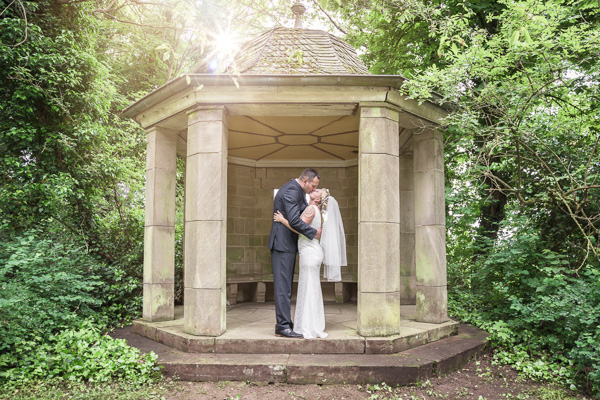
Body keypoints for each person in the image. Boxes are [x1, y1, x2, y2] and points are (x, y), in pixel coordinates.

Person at [274, 188, 347, 339]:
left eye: (317, 191)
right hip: (313, 252)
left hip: (309, 253)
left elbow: (298, 227)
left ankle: (307, 326)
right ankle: (312, 325)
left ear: (318, 199)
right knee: (311, 287)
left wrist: (282, 220)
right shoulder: (319, 212)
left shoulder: (311, 208)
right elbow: (315, 231)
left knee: (307, 288)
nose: (314, 190)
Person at [268, 168, 322, 338]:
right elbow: (294, 220)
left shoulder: (297, 190)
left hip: (287, 245)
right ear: (305, 181)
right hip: (282, 244)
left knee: (286, 285)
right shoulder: (292, 190)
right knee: (283, 287)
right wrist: (314, 233)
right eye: (313, 186)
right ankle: (282, 326)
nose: (313, 189)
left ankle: (286, 322)